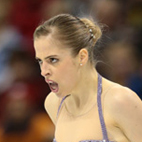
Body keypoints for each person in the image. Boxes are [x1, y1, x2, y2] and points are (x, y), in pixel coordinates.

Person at [33, 14, 142, 142]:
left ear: (82, 57)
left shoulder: (119, 101)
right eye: (40, 61)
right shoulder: (53, 103)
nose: (43, 71)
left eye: (53, 60)